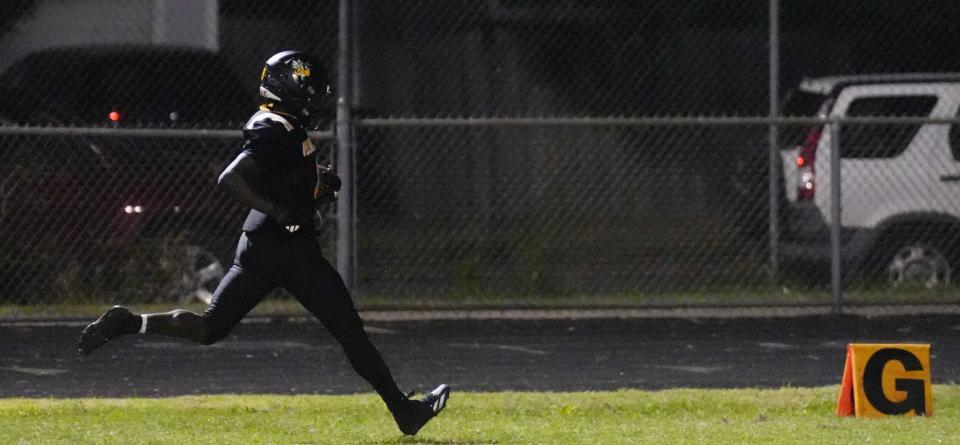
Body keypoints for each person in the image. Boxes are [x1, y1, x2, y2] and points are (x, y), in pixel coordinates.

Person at [77, 50, 449, 436]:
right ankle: (404, 411)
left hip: (257, 243)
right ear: (290, 88)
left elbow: (277, 173)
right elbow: (232, 177)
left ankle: (130, 323)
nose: (315, 99)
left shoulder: (279, 122)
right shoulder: (275, 128)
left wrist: (311, 184)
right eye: (310, 90)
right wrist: (282, 212)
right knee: (349, 332)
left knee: (209, 328)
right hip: (289, 249)